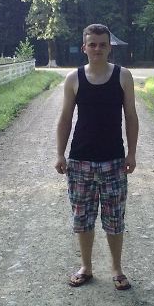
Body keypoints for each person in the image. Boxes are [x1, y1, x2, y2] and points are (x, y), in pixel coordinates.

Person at [55, 24, 139, 290]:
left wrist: (132, 153)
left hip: (114, 160)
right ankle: (86, 267)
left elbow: (131, 116)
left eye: (102, 44)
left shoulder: (123, 76)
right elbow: (65, 118)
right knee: (82, 217)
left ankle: (117, 269)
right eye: (92, 44)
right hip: (80, 160)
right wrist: (59, 154)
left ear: (109, 47)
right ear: (84, 47)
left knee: (114, 218)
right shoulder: (74, 78)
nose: (97, 49)